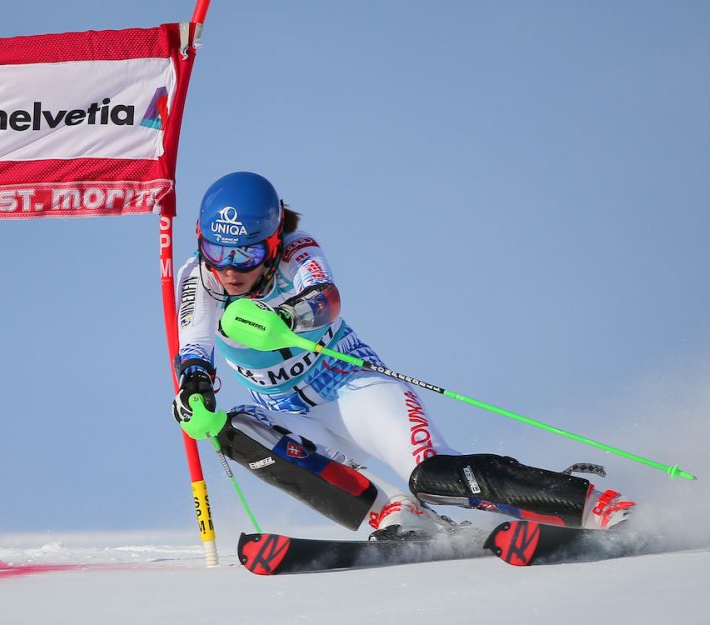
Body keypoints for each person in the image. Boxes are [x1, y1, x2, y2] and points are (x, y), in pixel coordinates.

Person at [172, 171, 634, 539]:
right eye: (217, 249)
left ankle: (594, 503)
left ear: (273, 243)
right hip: (292, 414)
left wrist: (288, 320)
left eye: (248, 254)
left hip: (350, 388)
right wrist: (194, 394)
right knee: (232, 430)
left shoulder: (299, 250)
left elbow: (327, 298)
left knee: (431, 474)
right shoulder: (199, 278)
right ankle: (393, 513)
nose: (230, 268)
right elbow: (194, 348)